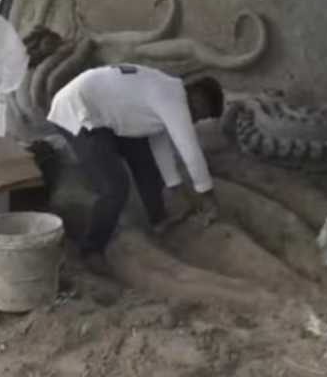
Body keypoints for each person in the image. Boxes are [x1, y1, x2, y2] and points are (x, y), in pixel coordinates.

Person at [47, 64, 224, 268]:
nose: (199, 121)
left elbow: (159, 146)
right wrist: (209, 199)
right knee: (115, 186)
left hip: (105, 114)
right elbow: (191, 150)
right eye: (204, 114)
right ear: (197, 99)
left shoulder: (167, 92)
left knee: (145, 162)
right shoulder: (173, 98)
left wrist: (178, 190)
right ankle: (92, 250)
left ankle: (158, 221)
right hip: (77, 110)